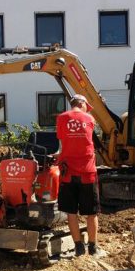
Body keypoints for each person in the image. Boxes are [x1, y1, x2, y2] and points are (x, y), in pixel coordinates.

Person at [55, 94, 100, 256]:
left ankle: (78, 247)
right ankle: (93, 248)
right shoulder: (89, 119)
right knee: (91, 213)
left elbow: (62, 142)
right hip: (87, 173)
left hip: (68, 174)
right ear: (82, 104)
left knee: (71, 213)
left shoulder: (61, 118)